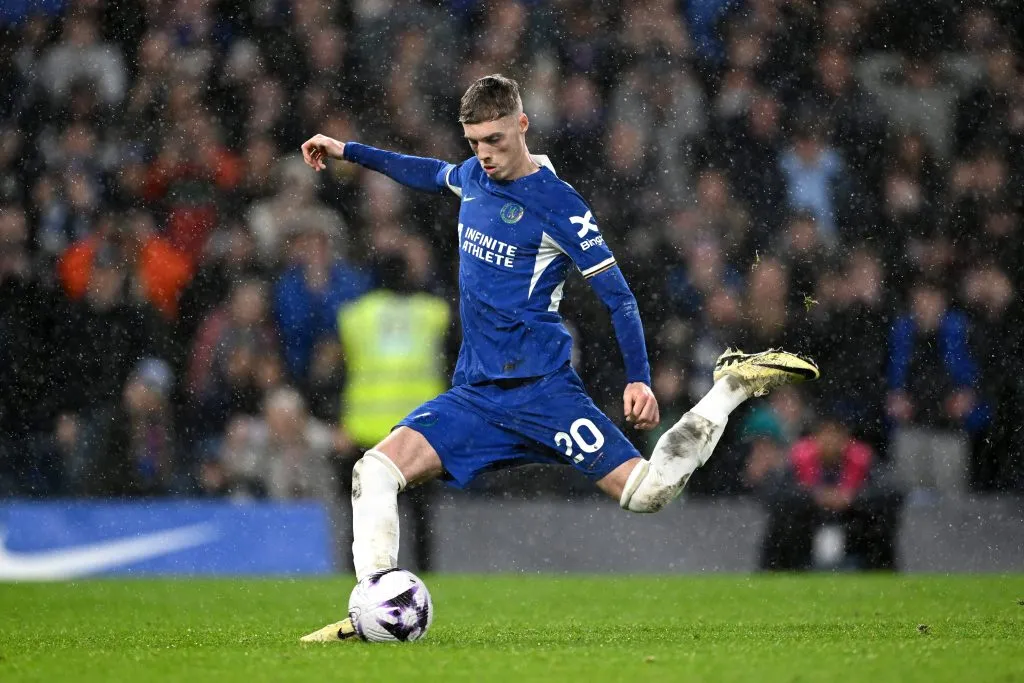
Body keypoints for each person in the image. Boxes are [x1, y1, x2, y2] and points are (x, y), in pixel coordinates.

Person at [297, 75, 819, 641]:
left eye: (495, 139)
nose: (484, 154)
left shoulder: (558, 204)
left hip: (543, 394)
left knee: (648, 495)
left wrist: (638, 379)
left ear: (522, 125)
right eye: (474, 142)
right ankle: (372, 611)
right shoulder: (473, 177)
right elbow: (425, 172)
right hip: (476, 396)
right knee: (374, 470)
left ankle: (731, 385)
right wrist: (349, 150)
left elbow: (618, 295)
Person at [754, 407, 904, 571]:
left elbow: (892, 493)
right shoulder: (797, 459)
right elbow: (775, 495)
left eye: (836, 434)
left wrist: (853, 497)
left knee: (879, 524)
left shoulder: (863, 459)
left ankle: (879, 572)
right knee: (782, 525)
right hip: (808, 523)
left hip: (852, 522)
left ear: (846, 438)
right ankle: (778, 572)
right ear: (815, 438)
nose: (830, 441)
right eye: (825, 434)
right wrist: (814, 497)